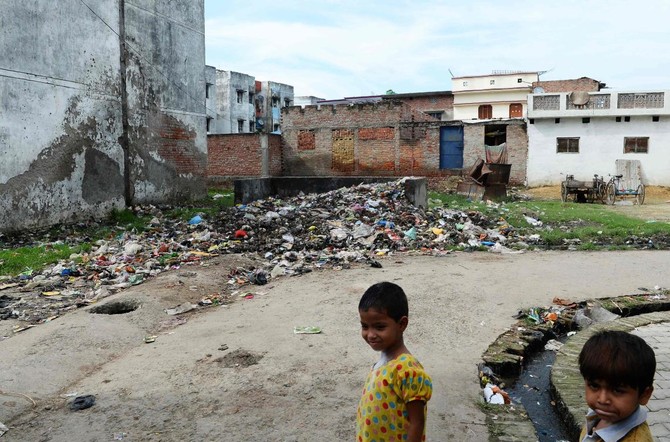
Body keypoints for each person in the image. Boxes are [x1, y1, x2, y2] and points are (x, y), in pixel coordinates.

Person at [356, 281, 432, 442]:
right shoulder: (383, 361)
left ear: (402, 324)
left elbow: (417, 423)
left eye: (379, 327)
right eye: (365, 326)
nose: (370, 334)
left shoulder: (408, 370)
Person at [578, 330, 656, 442]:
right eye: (594, 386)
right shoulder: (600, 415)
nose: (603, 399)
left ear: (644, 395)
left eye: (617, 390)